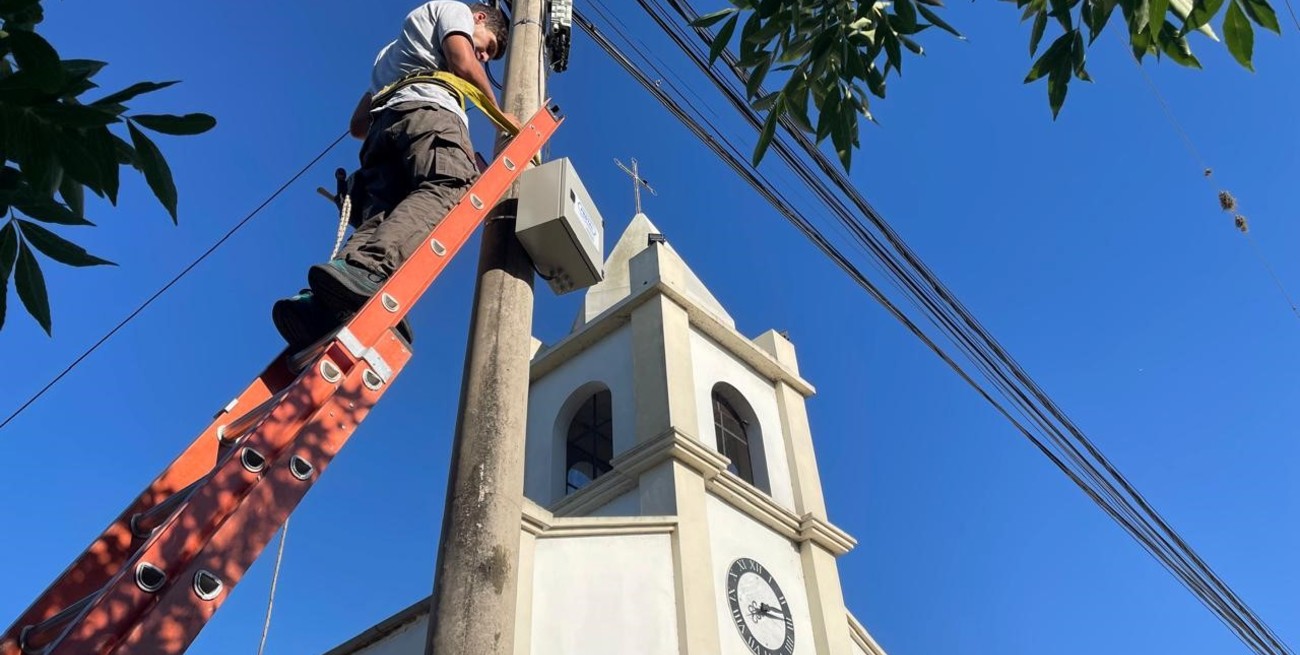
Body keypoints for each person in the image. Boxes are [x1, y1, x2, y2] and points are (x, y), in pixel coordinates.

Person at [273, 1, 518, 350]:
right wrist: (500, 114)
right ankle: (372, 270)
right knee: (452, 183)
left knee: (382, 215)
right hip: (429, 111)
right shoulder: (454, 10)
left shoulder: (390, 54)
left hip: (382, 132)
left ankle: (322, 306)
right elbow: (461, 60)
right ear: (479, 18)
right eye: (488, 47)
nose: (483, 57)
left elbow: (358, 125)